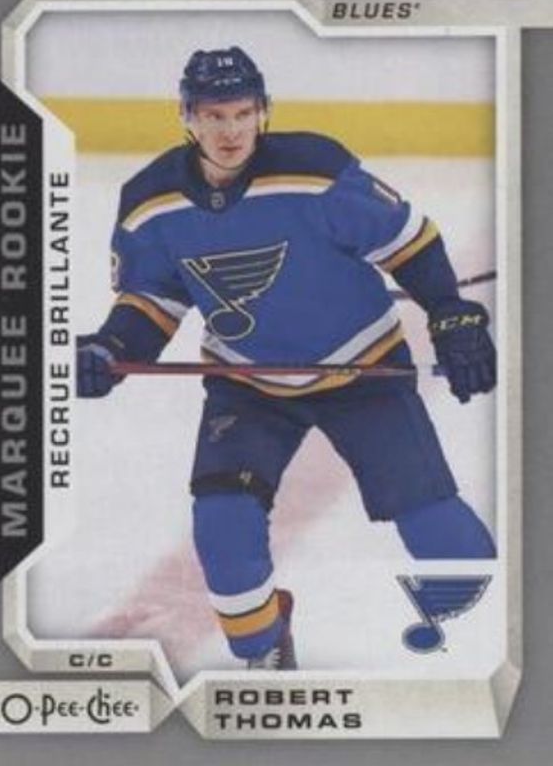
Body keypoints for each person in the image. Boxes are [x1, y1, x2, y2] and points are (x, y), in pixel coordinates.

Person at [77, 46, 497, 671]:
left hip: (361, 366)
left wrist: (451, 314)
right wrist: (112, 347)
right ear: (187, 117)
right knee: (223, 528)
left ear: (263, 112)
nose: (231, 130)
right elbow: (153, 300)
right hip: (247, 383)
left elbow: (410, 242)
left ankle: (492, 641)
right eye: (214, 115)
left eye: (243, 113)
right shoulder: (150, 204)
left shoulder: (316, 172)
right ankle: (265, 648)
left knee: (436, 526)